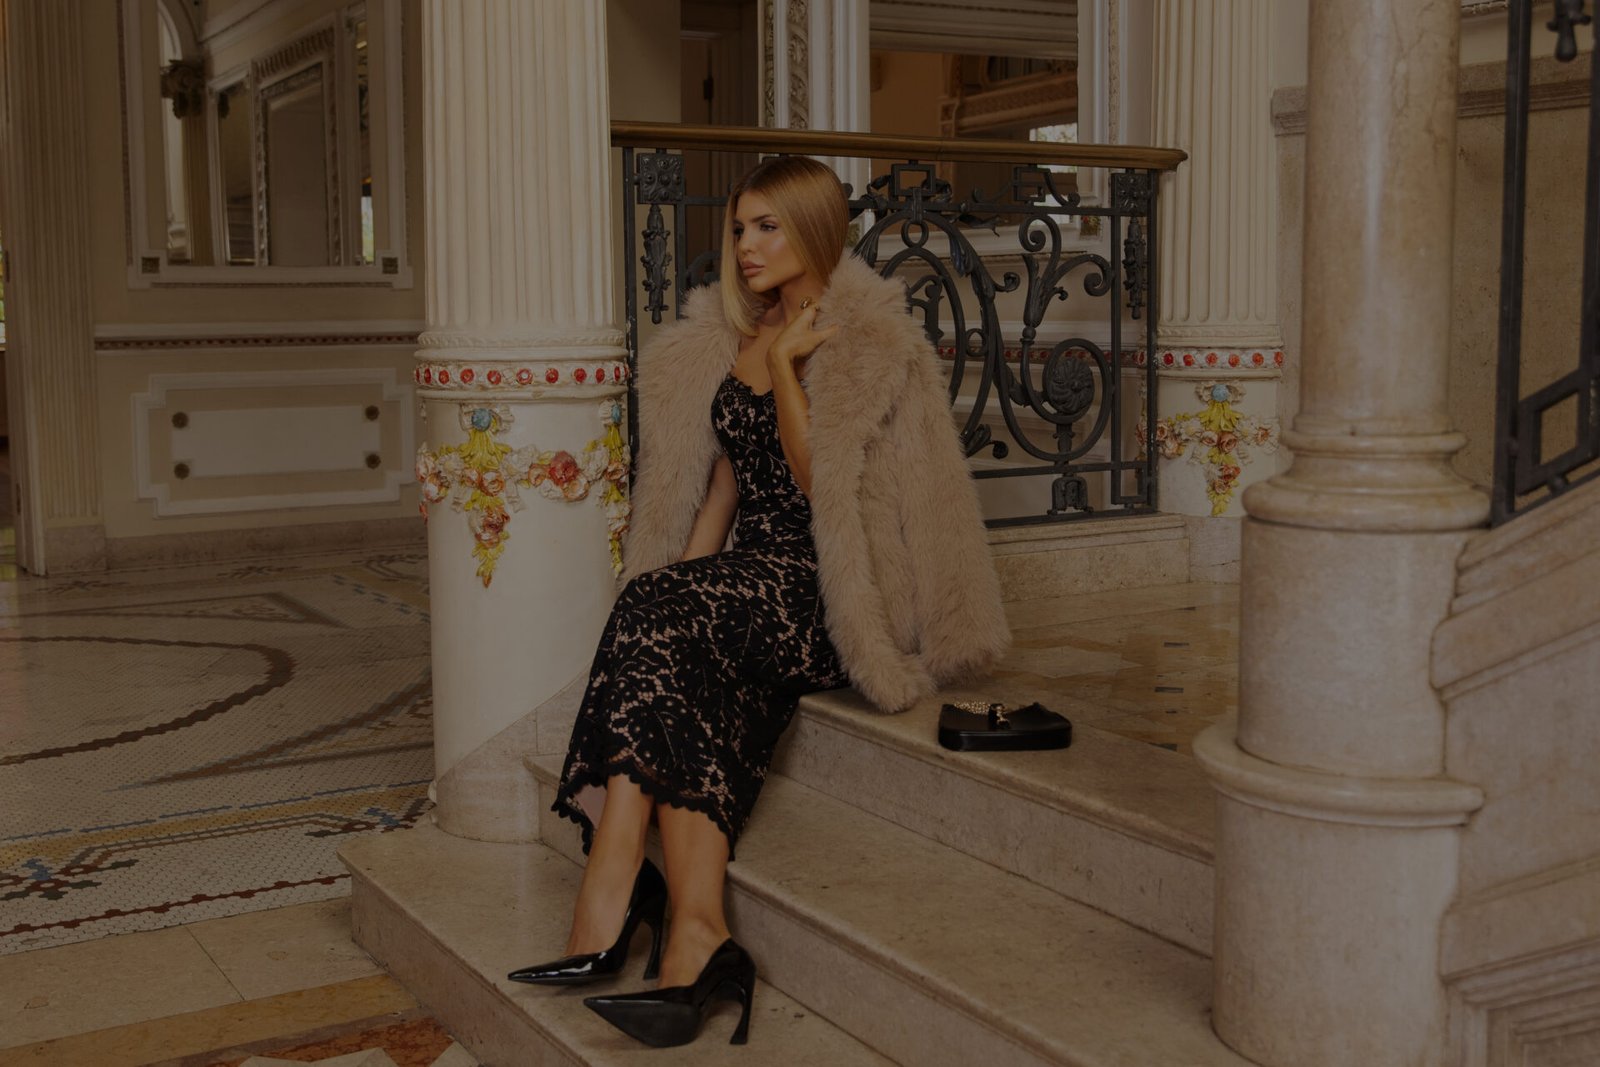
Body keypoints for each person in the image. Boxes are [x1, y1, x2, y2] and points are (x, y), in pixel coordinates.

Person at [506, 155, 1009, 1048]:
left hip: (827, 586)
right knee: (661, 618)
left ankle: (613, 886)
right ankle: (699, 933)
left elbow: (824, 489)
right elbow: (722, 493)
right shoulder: (738, 336)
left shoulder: (861, 341)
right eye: (740, 227)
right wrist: (673, 598)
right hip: (750, 582)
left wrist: (783, 368)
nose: (745, 245)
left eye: (767, 227)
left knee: (666, 620)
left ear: (814, 229)